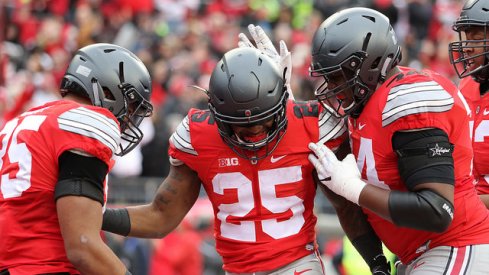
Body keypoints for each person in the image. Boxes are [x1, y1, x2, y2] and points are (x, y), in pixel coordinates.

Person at [102, 46, 348, 274]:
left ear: (281, 104)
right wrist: (95, 215)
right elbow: (161, 217)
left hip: (298, 266)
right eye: (242, 124)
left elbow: (349, 206)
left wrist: (376, 262)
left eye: (265, 119)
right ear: (216, 113)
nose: (255, 131)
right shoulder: (198, 136)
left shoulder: (310, 125)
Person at [307, 7, 489, 274]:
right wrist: (278, 93)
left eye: (338, 76)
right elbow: (342, 198)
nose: (332, 87)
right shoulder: (363, 109)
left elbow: (437, 210)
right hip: (422, 253)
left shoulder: (408, 99)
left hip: (455, 244)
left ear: (368, 65)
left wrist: (353, 188)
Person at [0, 43, 153, 274]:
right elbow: (83, 246)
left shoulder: (19, 122)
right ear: (108, 91)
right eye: (131, 106)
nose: (129, 117)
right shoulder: (88, 121)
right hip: (45, 266)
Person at [449, 0, 489, 208]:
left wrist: (457, 204)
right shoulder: (466, 86)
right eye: (466, 37)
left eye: (477, 38)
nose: (467, 47)